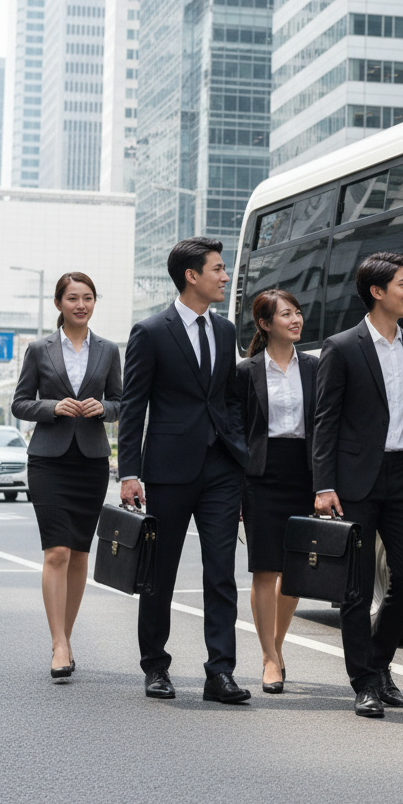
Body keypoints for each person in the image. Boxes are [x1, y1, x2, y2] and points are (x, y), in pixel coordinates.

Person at [313, 252, 403, 719]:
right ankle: (365, 682)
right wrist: (324, 484)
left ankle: (380, 662)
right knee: (355, 586)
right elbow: (325, 422)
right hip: (354, 481)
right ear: (377, 292)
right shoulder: (342, 346)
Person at [117, 237, 250, 703]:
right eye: (217, 269)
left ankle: (221, 672)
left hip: (220, 469)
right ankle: (155, 666)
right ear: (191, 276)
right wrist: (128, 472)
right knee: (161, 572)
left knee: (221, 573)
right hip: (169, 469)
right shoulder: (151, 331)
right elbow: (133, 407)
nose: (224, 276)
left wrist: (236, 447)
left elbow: (229, 397)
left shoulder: (226, 331)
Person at [11, 272, 122, 681]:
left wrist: (104, 409)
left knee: (79, 554)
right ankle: (58, 643)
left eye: (88, 297)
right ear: (58, 303)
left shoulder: (108, 349)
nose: (81, 304)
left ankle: (66, 637)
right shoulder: (39, 349)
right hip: (49, 461)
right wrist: (54, 407)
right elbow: (20, 403)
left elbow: (121, 402)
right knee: (56, 551)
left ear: (95, 302)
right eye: (72, 298)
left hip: (91, 460)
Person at [235, 289, 318, 694]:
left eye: (298, 313)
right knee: (265, 568)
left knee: (296, 572)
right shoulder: (245, 372)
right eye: (286, 314)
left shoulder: (315, 368)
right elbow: (234, 434)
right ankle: (269, 657)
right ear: (265, 325)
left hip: (304, 474)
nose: (296, 320)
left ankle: (277, 646)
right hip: (261, 476)